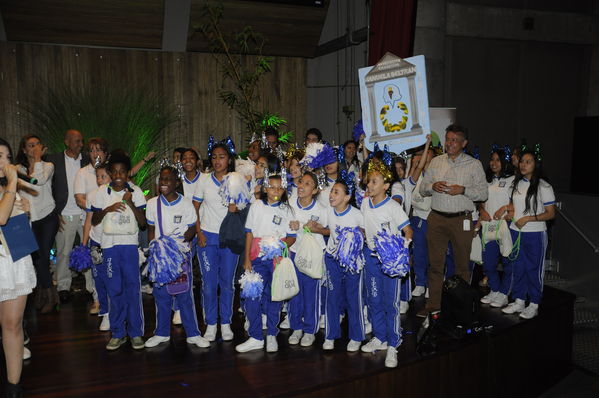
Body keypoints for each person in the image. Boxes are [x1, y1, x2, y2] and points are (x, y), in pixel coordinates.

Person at [418, 125, 487, 317]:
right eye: (447, 139)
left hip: (461, 219)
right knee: (435, 265)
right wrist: (433, 185)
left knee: (462, 266)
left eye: (454, 140)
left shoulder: (474, 165)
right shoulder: (436, 162)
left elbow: (483, 193)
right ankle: (433, 305)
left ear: (464, 143)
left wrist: (463, 190)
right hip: (437, 219)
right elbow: (423, 188)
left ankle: (461, 306)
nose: (449, 143)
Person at [144, 165, 210, 348]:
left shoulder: (186, 204)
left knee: (184, 295)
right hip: (160, 258)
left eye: (167, 180)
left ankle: (193, 334)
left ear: (176, 183)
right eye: (161, 180)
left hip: (180, 256)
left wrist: (178, 244)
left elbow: (191, 228)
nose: (163, 183)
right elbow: (150, 230)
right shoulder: (152, 204)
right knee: (161, 295)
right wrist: (153, 251)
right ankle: (161, 333)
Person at [91, 152, 147, 351]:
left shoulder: (136, 191)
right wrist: (108, 209)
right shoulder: (101, 193)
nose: (118, 176)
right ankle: (117, 333)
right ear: (108, 172)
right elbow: (94, 220)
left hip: (129, 246)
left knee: (132, 288)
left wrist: (129, 202)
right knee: (114, 289)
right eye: (114, 172)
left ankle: (136, 333)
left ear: (127, 173)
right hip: (109, 247)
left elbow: (142, 224)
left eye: (122, 172)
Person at [235, 173, 296, 353]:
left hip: (277, 259)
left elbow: (291, 237)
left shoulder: (287, 210)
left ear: (284, 190)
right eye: (272, 187)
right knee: (252, 295)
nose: (275, 191)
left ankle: (271, 334)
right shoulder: (256, 206)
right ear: (265, 188)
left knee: (273, 296)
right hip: (257, 257)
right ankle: (255, 336)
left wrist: (278, 245)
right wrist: (247, 259)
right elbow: (249, 233)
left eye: (279, 188)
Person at [360, 160, 412, 368]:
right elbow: (365, 228)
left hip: (390, 261)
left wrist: (401, 252)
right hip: (371, 258)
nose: (370, 185)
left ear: (386, 186)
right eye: (369, 181)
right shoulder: (365, 203)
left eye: (375, 181)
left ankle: (393, 343)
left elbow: (408, 231)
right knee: (374, 299)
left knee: (391, 303)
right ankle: (380, 337)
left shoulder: (393, 206)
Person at [0, 138, 37, 397]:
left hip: (15, 259)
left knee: (12, 325)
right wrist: (13, 186)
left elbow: (17, 228)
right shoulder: (11, 188)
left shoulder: (10, 189)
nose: (1, 160)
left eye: (4, 155)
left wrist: (25, 212)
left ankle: (14, 387)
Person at [502, 150, 555, 319]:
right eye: (522, 161)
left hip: (535, 234)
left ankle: (534, 303)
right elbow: (512, 205)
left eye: (528, 161)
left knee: (533, 269)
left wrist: (528, 219)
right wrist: (510, 212)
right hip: (516, 232)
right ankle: (519, 300)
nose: (524, 164)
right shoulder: (517, 184)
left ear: (535, 165)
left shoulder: (544, 186)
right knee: (517, 267)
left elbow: (551, 213)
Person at [194, 143, 239, 342]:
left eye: (221, 157)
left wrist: (236, 207)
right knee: (209, 283)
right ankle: (211, 323)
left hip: (229, 238)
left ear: (228, 160)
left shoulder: (236, 180)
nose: (217, 161)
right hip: (207, 237)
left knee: (227, 283)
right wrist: (199, 233)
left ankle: (226, 323)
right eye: (214, 157)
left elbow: (245, 209)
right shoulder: (203, 181)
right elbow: (194, 208)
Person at [15, 134, 59, 314]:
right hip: (27, 219)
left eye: (37, 144)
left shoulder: (48, 165)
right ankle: (41, 294)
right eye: (30, 145)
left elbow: (38, 181)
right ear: (24, 150)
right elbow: (26, 182)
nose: (34, 148)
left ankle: (50, 298)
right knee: (36, 259)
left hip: (47, 216)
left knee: (42, 257)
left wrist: (38, 159)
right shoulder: (17, 169)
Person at [46, 129, 89, 303]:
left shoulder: (87, 160)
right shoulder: (53, 161)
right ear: (67, 142)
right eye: (77, 141)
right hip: (65, 213)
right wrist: (55, 212)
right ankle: (63, 287)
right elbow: (47, 188)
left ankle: (91, 288)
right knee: (64, 252)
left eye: (81, 141)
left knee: (88, 250)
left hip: (86, 213)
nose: (80, 144)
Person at [323, 176, 365, 352]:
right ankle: (330, 335)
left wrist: (356, 239)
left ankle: (356, 336)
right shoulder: (328, 211)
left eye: (336, 192)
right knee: (332, 297)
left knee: (353, 298)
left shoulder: (356, 214)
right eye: (332, 191)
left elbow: (366, 233)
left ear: (347, 197)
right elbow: (325, 228)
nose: (332, 195)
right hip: (332, 259)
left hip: (352, 263)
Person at [287, 172, 329, 347]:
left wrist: (317, 228)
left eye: (308, 184)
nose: (302, 186)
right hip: (294, 253)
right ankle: (296, 327)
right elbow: (280, 225)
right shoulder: (289, 204)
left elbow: (329, 231)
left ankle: (310, 330)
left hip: (313, 256)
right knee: (294, 292)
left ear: (315, 190)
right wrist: (291, 226)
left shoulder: (321, 210)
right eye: (301, 182)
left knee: (312, 293)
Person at [74, 137, 109, 314]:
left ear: (105, 153)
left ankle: (111, 299)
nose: (95, 153)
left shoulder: (113, 171)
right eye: (92, 150)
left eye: (99, 150)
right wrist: (94, 207)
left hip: (111, 228)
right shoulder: (83, 173)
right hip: (90, 223)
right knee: (94, 263)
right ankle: (97, 299)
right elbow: (79, 197)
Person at [479, 149, 515, 308]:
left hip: (505, 226)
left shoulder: (513, 180)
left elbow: (518, 202)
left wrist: (506, 209)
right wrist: (482, 211)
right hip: (488, 226)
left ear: (504, 162)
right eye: (492, 160)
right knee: (488, 262)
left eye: (498, 160)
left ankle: (504, 293)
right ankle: (495, 289)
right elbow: (480, 201)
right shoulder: (486, 180)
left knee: (507, 261)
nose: (494, 163)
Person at [81, 164, 111, 331]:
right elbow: (88, 221)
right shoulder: (91, 195)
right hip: (96, 242)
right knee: (98, 276)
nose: (100, 180)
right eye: (98, 177)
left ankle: (115, 311)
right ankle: (104, 313)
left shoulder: (116, 194)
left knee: (112, 277)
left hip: (112, 243)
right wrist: (84, 245)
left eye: (104, 176)